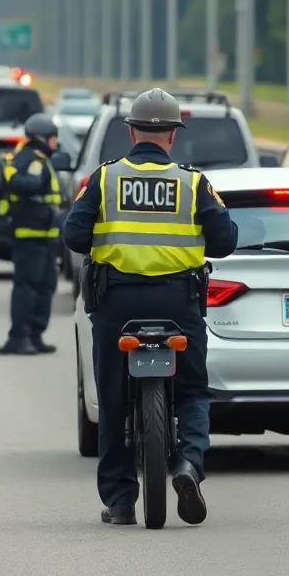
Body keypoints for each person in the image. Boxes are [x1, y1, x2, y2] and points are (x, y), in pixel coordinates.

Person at [63, 88, 238, 528]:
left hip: (116, 303)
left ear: (130, 130)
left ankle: (121, 503)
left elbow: (73, 235)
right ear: (173, 136)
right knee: (194, 390)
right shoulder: (193, 181)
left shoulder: (104, 179)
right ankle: (188, 465)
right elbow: (225, 241)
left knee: (114, 404)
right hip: (178, 301)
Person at [0, 112, 63, 356]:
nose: (56, 143)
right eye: (53, 138)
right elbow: (29, 185)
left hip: (42, 235)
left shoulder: (37, 158)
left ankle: (34, 335)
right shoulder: (31, 160)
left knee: (45, 286)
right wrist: (10, 173)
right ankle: (19, 337)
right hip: (30, 235)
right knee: (28, 287)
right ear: (43, 138)